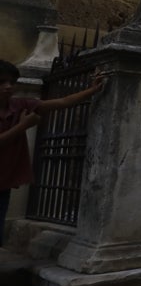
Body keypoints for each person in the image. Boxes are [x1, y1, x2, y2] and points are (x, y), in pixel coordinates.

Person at [0, 60, 106, 247]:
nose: (8, 87)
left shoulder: (20, 105)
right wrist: (23, 126)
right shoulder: (21, 112)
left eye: (12, 82)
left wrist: (92, 90)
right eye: (1, 82)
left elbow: (61, 102)